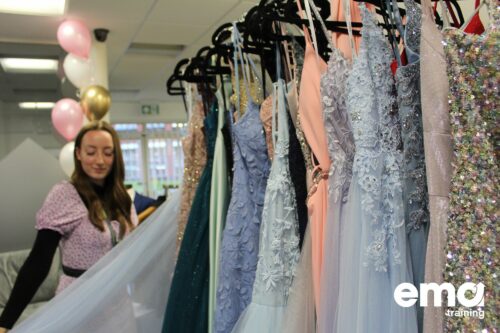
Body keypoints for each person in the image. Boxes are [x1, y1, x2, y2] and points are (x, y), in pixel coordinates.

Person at [0, 121, 138, 332]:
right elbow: (38, 262)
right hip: (78, 302)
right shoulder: (65, 195)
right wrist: (5, 322)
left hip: (116, 305)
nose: (100, 160)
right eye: (91, 152)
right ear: (79, 154)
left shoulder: (122, 199)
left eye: (108, 153)